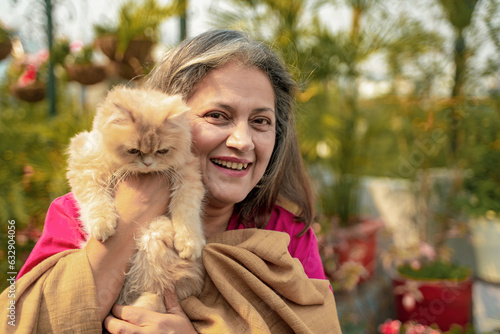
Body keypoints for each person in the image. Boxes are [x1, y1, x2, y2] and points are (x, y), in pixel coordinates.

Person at [1, 29, 340, 333]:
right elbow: (19, 322)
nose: (242, 141)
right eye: (217, 116)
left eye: (261, 121)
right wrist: (133, 214)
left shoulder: (285, 232)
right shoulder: (77, 213)